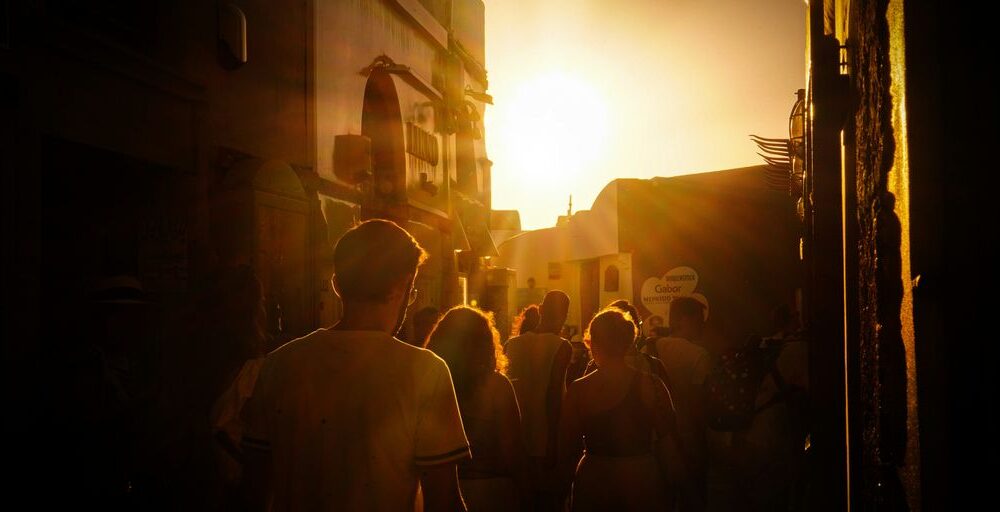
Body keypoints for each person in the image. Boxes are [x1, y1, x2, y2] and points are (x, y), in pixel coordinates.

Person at [240, 220, 470, 511]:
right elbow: (445, 499)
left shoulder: (279, 365)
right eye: (411, 291)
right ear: (399, 288)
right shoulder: (426, 371)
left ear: (337, 285)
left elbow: (253, 489)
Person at [556, 308, 684, 511]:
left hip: (594, 479)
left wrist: (562, 492)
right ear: (628, 341)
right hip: (640, 477)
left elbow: (565, 448)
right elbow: (669, 443)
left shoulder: (579, 390)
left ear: (593, 343)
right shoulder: (651, 385)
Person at [425, 307, 527, 511]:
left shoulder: (431, 382)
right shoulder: (497, 386)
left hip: (442, 489)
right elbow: (512, 449)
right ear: (485, 344)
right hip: (492, 488)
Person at [504, 290, 573, 511]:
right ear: (564, 315)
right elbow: (553, 396)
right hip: (544, 437)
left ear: (541, 310)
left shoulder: (512, 344)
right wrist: (553, 442)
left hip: (517, 435)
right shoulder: (561, 346)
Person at [642, 296, 711, 511]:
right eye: (699, 319)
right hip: (687, 439)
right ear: (684, 320)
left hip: (653, 438)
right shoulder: (699, 355)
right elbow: (699, 404)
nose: (702, 324)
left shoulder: (649, 349)